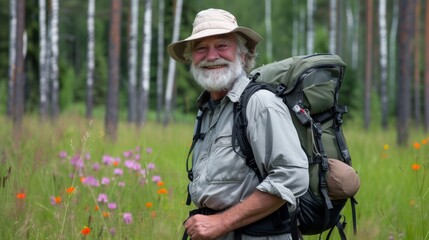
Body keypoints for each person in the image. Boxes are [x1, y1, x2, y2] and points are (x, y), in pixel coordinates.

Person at [167, 8, 309, 240]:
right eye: (201, 48)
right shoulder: (208, 109)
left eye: (222, 45)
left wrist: (221, 222)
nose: (211, 56)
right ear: (192, 58)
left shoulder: (260, 103)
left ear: (243, 56)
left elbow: (292, 175)